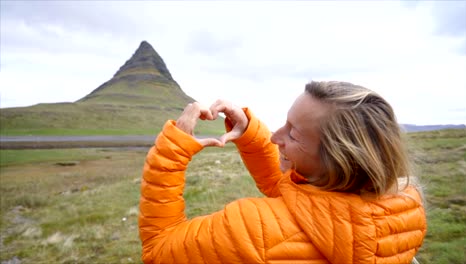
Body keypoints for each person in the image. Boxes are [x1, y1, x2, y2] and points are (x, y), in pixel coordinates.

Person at [139, 81, 427, 263]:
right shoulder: (401, 213)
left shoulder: (251, 231)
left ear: (338, 160)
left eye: (294, 134)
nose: (276, 137)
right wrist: (250, 133)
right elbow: (304, 204)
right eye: (284, 123)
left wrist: (171, 151)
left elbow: (159, 249)